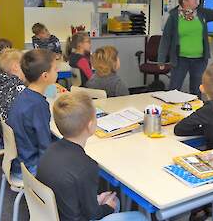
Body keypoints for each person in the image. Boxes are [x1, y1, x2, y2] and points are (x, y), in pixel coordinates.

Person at [36, 92, 147, 221]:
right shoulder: (87, 166)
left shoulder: (50, 149)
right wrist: (108, 207)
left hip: (50, 214)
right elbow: (93, 215)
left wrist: (95, 201)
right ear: (90, 125)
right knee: (138, 216)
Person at [7, 49, 58, 177]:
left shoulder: (23, 95)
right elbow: (45, 145)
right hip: (30, 168)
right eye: (55, 69)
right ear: (45, 76)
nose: (58, 71)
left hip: (19, 161)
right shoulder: (38, 105)